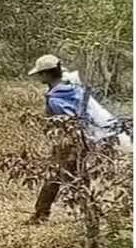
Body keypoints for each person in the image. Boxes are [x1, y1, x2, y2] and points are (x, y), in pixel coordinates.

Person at [26, 54, 130, 223]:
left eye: (40, 74)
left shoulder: (56, 100)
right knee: (77, 177)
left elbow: (68, 125)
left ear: (45, 75)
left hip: (70, 144)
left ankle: (43, 214)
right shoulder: (72, 88)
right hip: (88, 139)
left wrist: (66, 146)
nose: (39, 77)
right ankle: (88, 213)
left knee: (59, 177)